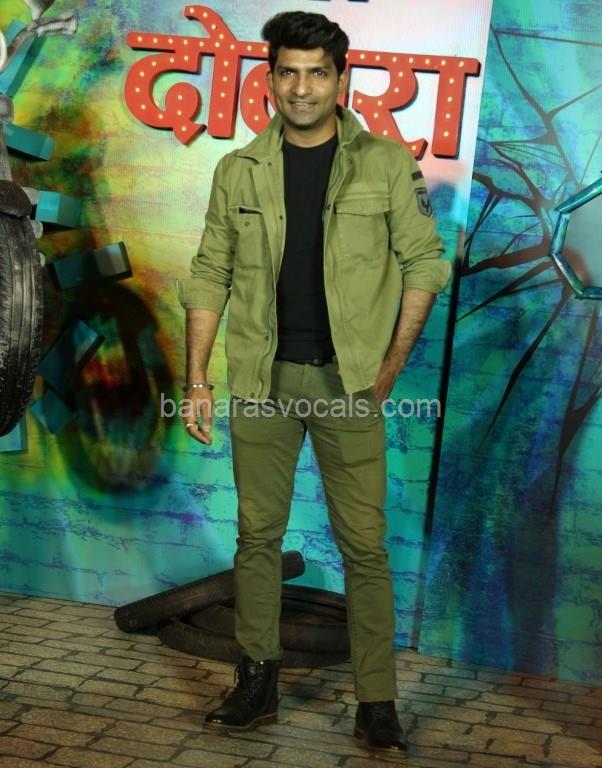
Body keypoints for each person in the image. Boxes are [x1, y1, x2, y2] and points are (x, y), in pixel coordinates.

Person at [176, 10, 450, 756]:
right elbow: (210, 272)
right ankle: (256, 683)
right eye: (288, 73)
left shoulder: (385, 165)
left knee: (364, 546)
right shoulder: (238, 170)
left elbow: (425, 264)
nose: (302, 88)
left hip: (347, 382)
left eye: (317, 73)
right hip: (261, 378)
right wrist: (196, 379)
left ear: (340, 79)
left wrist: (388, 370)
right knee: (257, 536)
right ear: (269, 81)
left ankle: (377, 703)